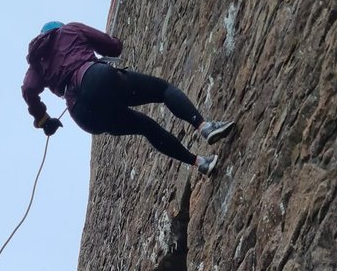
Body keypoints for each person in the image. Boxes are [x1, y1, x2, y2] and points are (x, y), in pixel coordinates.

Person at [22, 21, 235, 173]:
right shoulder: (69, 30)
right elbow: (113, 47)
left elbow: (29, 90)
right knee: (163, 90)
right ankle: (204, 126)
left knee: (147, 128)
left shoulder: (37, 62)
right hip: (93, 77)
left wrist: (44, 120)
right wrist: (114, 42)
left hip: (82, 114)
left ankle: (200, 163)